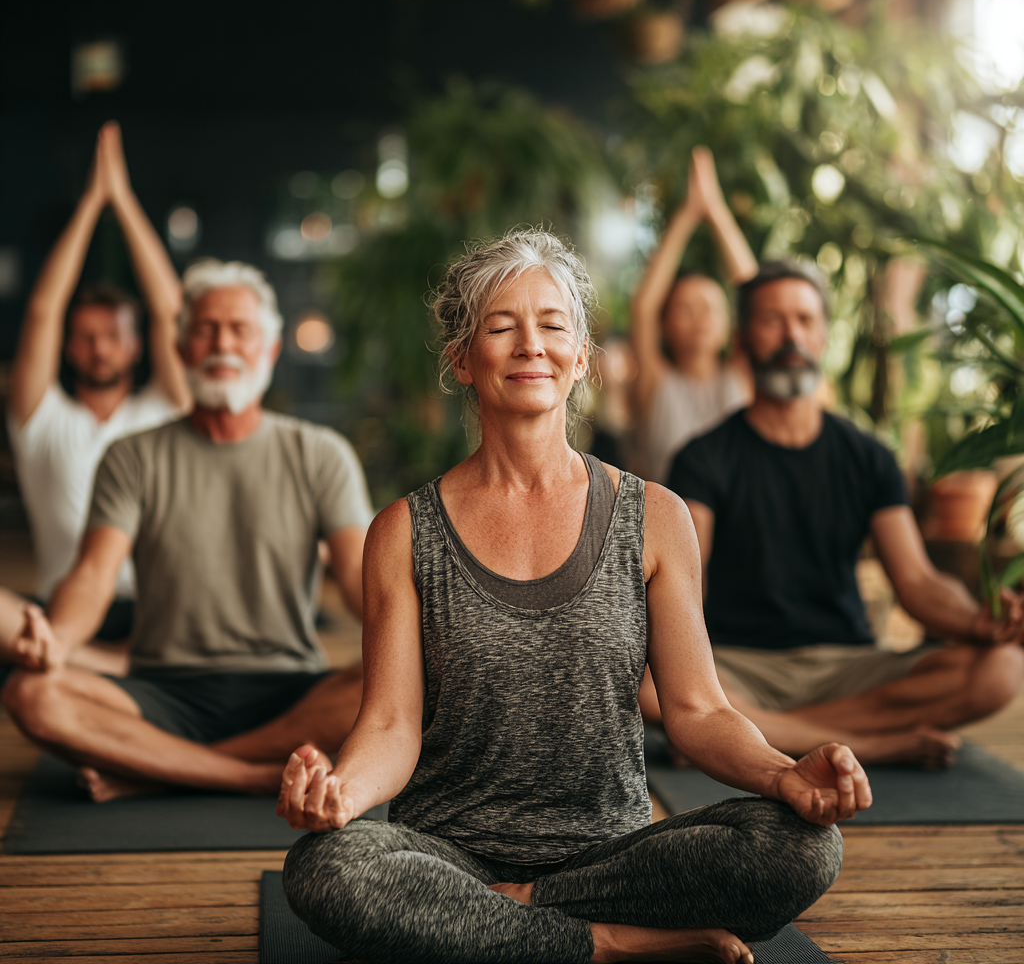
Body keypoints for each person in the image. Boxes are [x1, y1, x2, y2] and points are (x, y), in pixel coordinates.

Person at [275, 230, 869, 964]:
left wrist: (785, 774)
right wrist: (340, 790)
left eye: (553, 326)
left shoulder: (655, 517)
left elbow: (697, 711)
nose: (531, 345)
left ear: (581, 356)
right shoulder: (403, 531)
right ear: (461, 359)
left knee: (803, 845)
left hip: (613, 858)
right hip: (447, 854)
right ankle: (609, 944)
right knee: (328, 868)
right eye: (501, 327)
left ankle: (511, 922)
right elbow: (392, 726)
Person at [2, 260, 373, 801]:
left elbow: (359, 573)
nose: (222, 344)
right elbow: (94, 574)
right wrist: (58, 638)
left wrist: (419, 639)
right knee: (31, 694)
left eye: (240, 329)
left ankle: (151, 770)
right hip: (162, 692)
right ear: (179, 349)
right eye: (205, 329)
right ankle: (252, 774)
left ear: (270, 349)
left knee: (406, 680)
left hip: (290, 690)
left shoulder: (321, 454)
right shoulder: (131, 456)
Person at [645, 260, 1024, 769]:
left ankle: (751, 735)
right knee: (650, 686)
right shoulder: (702, 458)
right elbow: (688, 590)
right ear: (743, 340)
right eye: (772, 320)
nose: (791, 335)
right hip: (740, 666)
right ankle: (864, 744)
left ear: (824, 335)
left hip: (849, 667)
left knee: (1002, 669)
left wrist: (979, 619)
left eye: (804, 320)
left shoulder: (870, 457)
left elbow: (917, 583)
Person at [6, 121, 190, 662]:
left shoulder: (164, 411)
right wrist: (90, 204)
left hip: (155, 615)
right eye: (86, 337)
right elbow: (43, 311)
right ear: (67, 348)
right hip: (63, 611)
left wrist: (123, 201)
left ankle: (92, 668)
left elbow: (171, 312)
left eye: (113, 336)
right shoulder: (42, 419)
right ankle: (87, 662)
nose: (99, 348)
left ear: (137, 347)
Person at [631, 147, 758, 483]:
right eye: (685, 309)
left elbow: (755, 296)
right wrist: (687, 215)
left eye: (710, 308)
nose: (699, 317)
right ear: (666, 325)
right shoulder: (656, 384)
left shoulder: (742, 377)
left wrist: (716, 211)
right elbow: (643, 308)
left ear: (728, 325)